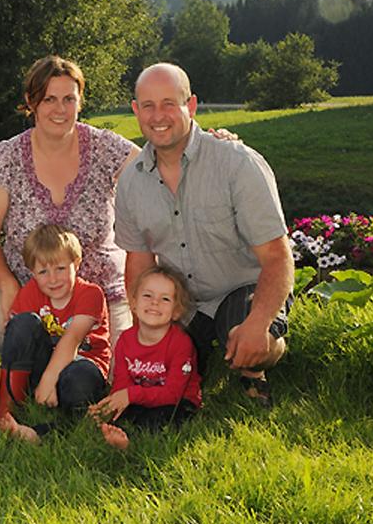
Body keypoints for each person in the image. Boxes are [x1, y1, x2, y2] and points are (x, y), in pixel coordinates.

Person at [0, 55, 139, 407]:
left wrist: (208, 142)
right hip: (33, 294)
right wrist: (9, 285)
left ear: (80, 101)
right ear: (31, 102)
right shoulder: (8, 156)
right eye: (49, 99)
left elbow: (157, 168)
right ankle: (36, 357)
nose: (60, 109)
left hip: (99, 297)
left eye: (69, 98)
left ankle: (49, 366)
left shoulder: (106, 148)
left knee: (118, 373)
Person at [114, 63, 294, 408]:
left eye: (169, 103)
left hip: (243, 288)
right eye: (148, 106)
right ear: (136, 110)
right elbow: (138, 262)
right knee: (169, 365)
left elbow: (277, 256)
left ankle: (257, 364)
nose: (158, 116)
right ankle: (203, 352)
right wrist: (144, 334)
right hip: (182, 300)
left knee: (247, 338)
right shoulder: (131, 182)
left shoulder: (237, 164)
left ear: (191, 105)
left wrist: (260, 324)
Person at [0, 224, 109, 442]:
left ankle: (51, 430)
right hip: (44, 366)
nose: (53, 279)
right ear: (32, 273)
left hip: (82, 366)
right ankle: (7, 414)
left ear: (76, 263)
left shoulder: (91, 293)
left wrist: (50, 379)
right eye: (43, 272)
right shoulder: (30, 292)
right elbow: (13, 346)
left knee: (78, 380)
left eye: (60, 269)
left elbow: (73, 338)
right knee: (21, 323)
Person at [90, 265, 201, 450]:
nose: (155, 303)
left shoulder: (181, 343)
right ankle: (118, 432)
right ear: (133, 303)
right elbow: (122, 382)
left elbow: (172, 394)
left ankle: (130, 440)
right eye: (147, 295)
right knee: (124, 413)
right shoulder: (125, 340)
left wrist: (130, 395)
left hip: (178, 400)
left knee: (162, 418)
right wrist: (112, 403)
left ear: (176, 311)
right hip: (141, 397)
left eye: (165, 299)